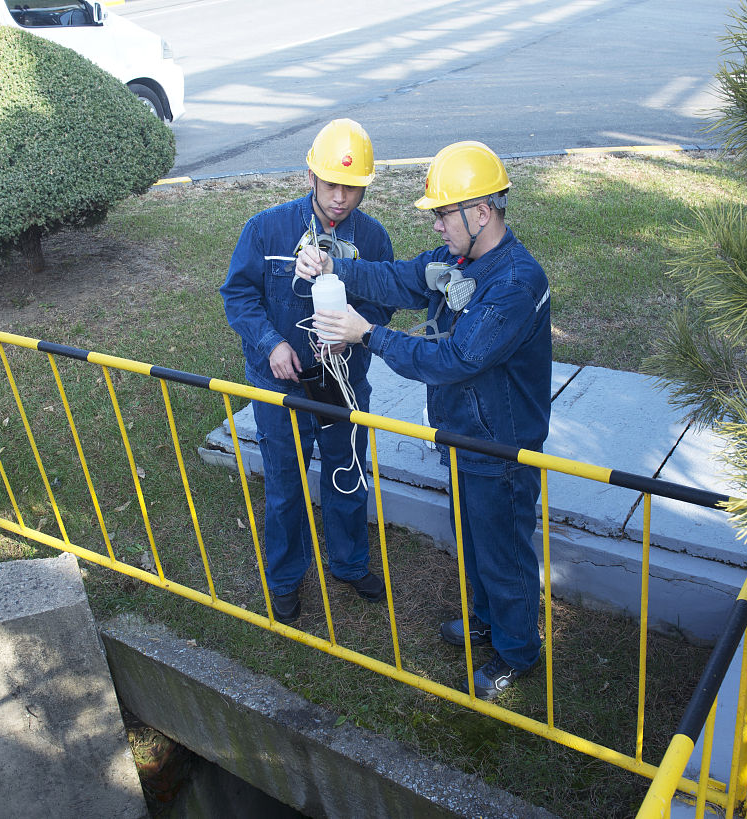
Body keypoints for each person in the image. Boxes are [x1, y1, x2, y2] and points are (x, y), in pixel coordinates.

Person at [297, 141, 552, 700]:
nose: (437, 224)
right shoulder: (461, 261)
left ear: (480, 213)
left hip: (500, 445)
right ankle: (486, 622)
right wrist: (336, 265)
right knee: (475, 538)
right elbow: (399, 279)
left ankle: (516, 652)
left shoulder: (513, 284)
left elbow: (455, 359)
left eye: (443, 212)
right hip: (464, 434)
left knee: (504, 549)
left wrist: (366, 334)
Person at [220, 119, 396, 625]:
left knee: (346, 475)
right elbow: (238, 295)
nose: (341, 198)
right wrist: (270, 343)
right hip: (281, 383)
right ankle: (285, 580)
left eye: (353, 187)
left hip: (344, 381)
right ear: (312, 177)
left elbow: (385, 303)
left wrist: (358, 330)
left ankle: (349, 564)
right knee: (285, 483)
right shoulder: (266, 229)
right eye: (332, 184)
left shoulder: (372, 239)